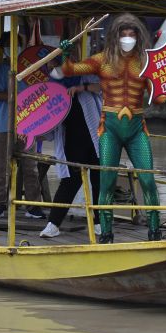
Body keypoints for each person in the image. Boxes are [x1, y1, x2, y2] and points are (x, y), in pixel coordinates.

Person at [55, 14, 166, 243]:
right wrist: (65, 53)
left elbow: (156, 98)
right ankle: (106, 233)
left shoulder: (146, 62)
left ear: (138, 36)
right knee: (107, 181)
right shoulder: (102, 60)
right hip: (110, 128)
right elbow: (70, 70)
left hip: (136, 127)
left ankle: (155, 230)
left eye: (131, 34)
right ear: (116, 37)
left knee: (147, 180)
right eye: (124, 35)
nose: (128, 38)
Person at [0, 32, 45, 220]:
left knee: (31, 167)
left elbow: (40, 92)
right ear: (4, 48)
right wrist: (22, 96)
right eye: (8, 44)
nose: (13, 48)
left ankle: (33, 206)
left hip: (29, 124)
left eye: (16, 44)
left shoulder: (32, 69)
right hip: (5, 125)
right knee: (1, 168)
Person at [39, 69, 103, 238]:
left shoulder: (87, 77)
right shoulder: (53, 89)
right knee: (69, 182)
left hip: (95, 140)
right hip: (72, 144)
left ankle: (100, 223)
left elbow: (104, 87)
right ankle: (53, 224)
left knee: (100, 181)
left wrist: (82, 88)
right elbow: (49, 123)